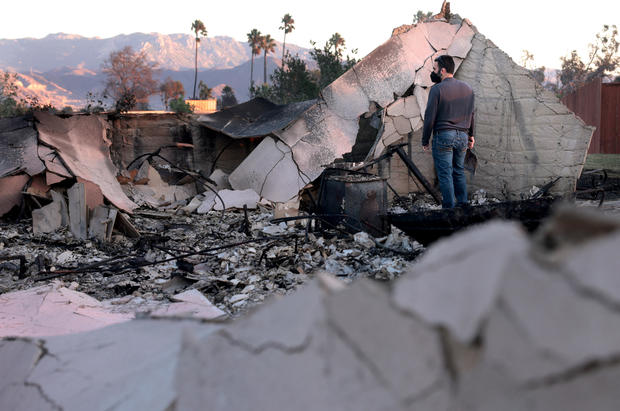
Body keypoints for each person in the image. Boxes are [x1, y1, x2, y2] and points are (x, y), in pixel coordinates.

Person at [422, 55, 475, 208]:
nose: (433, 71)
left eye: (435, 69)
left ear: (443, 70)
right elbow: (471, 114)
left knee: (445, 174)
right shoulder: (468, 89)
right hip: (463, 137)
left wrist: (425, 140)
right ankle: (463, 207)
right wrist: (471, 135)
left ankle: (449, 210)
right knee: (458, 171)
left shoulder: (437, 89)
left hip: (444, 135)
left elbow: (429, 117)